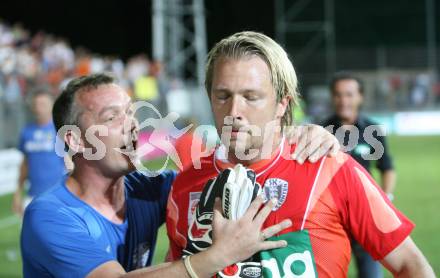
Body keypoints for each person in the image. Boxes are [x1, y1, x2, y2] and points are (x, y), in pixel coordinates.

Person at [166, 31, 435, 277]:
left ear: (282, 103)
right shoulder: (185, 185)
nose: (234, 110)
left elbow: (411, 266)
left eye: (251, 97)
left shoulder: (332, 169)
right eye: (222, 95)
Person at [20, 73, 340, 278]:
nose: (132, 123)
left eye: (130, 112)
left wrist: (293, 137)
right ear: (75, 140)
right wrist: (221, 255)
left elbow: (225, 169)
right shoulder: (51, 216)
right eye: (112, 116)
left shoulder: (148, 191)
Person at [321, 72, 397, 278]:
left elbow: (387, 167)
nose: (343, 100)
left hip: (365, 214)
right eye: (338, 95)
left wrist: (386, 200)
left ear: (360, 97)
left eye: (349, 94)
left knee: (371, 274)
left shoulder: (373, 131)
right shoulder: (321, 131)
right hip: (330, 217)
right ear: (332, 97)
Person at [12, 88, 66, 215]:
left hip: (58, 196)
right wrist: (18, 192)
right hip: (33, 196)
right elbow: (25, 164)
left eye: (43, 104)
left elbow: (72, 164)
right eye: (35, 104)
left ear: (52, 105)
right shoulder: (26, 131)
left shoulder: (61, 130)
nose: (38, 108)